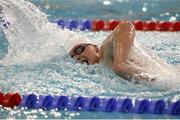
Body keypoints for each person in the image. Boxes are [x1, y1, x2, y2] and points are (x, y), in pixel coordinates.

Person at [64, 21, 173, 82]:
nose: (77, 57)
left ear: (94, 47)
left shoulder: (106, 47)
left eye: (79, 49)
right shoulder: (103, 70)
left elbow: (126, 25)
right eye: (73, 57)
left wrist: (121, 64)